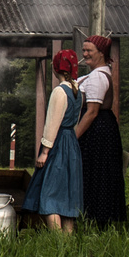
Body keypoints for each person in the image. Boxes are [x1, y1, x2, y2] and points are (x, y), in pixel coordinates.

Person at [22, 49, 83, 233]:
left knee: (50, 195)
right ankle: (67, 243)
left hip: (58, 145)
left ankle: (56, 243)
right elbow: (75, 122)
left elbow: (52, 124)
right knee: (67, 196)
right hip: (72, 144)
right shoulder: (78, 92)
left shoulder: (59, 91)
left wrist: (45, 152)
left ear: (57, 69)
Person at [75, 35, 127, 227]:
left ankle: (97, 220)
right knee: (97, 173)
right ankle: (94, 219)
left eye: (89, 50)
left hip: (98, 132)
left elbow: (92, 112)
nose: (85, 53)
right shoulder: (96, 73)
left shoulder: (98, 76)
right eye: (84, 50)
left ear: (101, 53)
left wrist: (73, 138)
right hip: (101, 129)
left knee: (97, 174)